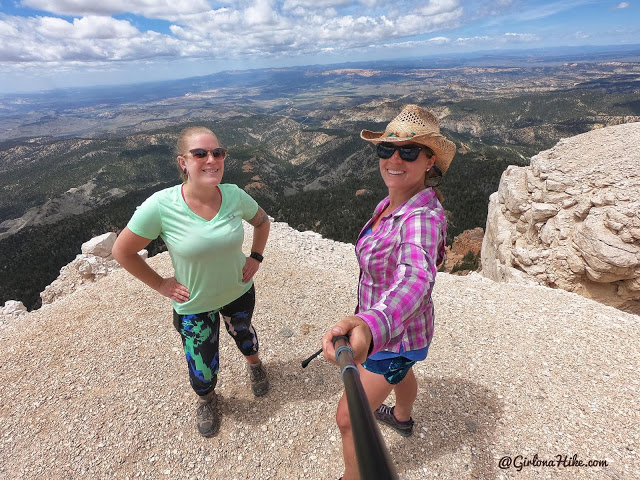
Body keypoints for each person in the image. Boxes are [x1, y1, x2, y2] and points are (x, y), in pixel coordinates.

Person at [320, 104, 456, 480]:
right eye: (387, 149)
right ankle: (402, 416)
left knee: (348, 419)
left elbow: (416, 277)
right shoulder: (391, 203)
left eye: (409, 151)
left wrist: (370, 323)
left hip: (393, 336)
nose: (395, 158)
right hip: (402, 335)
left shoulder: (422, 218)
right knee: (400, 371)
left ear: (430, 161)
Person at [112, 126, 271, 438]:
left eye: (217, 152)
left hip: (237, 291)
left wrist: (255, 257)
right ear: (182, 162)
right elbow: (123, 251)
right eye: (200, 154)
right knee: (202, 366)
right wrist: (160, 284)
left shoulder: (234, 195)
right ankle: (207, 398)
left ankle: (254, 365)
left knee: (244, 335)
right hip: (194, 304)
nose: (211, 159)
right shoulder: (161, 206)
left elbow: (262, 222)